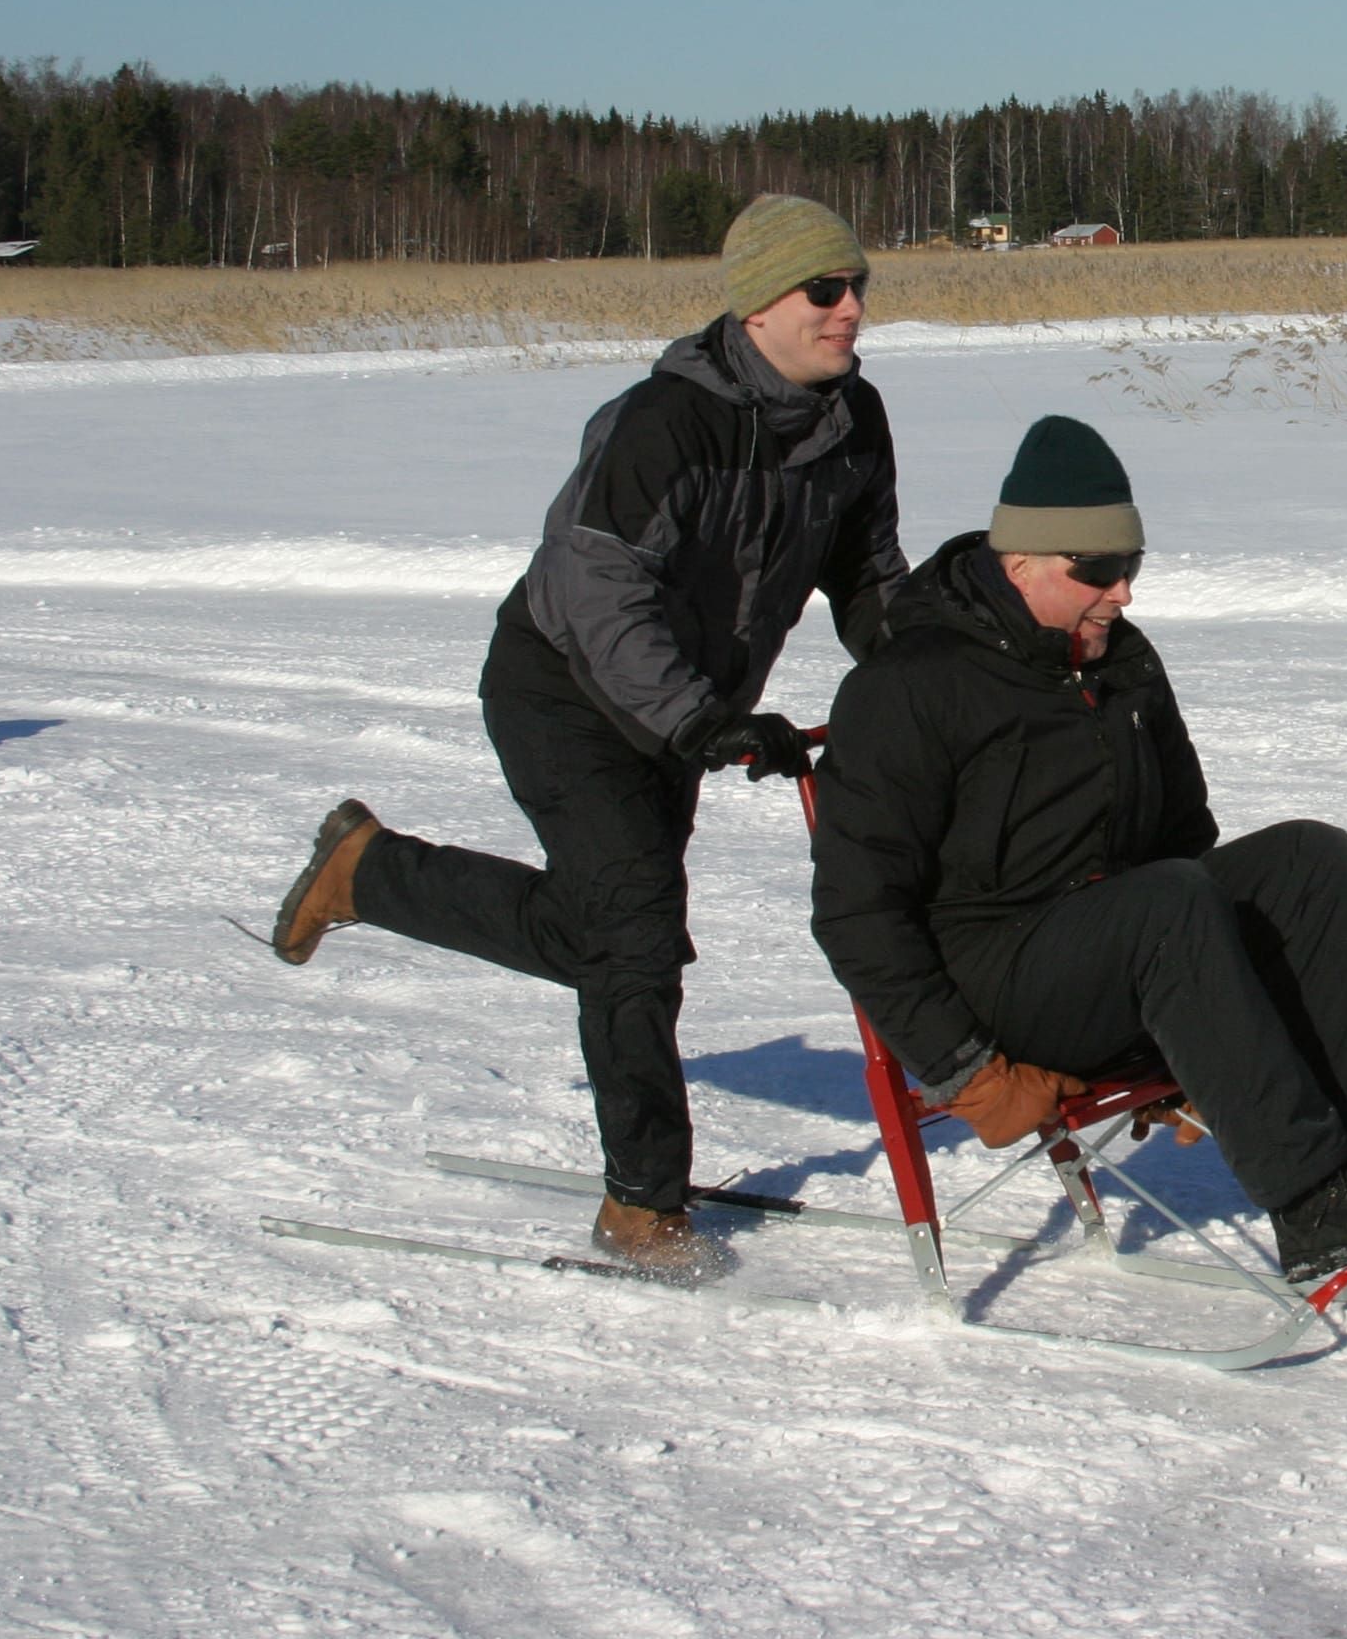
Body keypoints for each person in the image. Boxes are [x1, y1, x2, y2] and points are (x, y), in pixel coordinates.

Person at [262, 193, 909, 1279]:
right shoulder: (665, 421)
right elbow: (599, 588)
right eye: (825, 289)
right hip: (565, 688)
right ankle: (640, 1204)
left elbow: (867, 571)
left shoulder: (853, 419)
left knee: (609, 931)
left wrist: (918, 670)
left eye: (859, 288)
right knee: (635, 941)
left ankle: (367, 871)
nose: (851, 310)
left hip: (677, 710)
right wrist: (701, 719)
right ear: (759, 305)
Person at [809, 415, 1347, 1284]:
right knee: (1169, 904)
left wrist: (1214, 1012)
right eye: (1096, 571)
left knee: (1307, 859)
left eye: (1131, 568)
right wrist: (967, 1072)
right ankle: (1314, 1199)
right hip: (993, 977)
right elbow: (855, 911)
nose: (1123, 594)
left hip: (1120, 937)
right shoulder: (908, 686)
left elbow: (1184, 836)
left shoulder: (1122, 661)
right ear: (1018, 561)